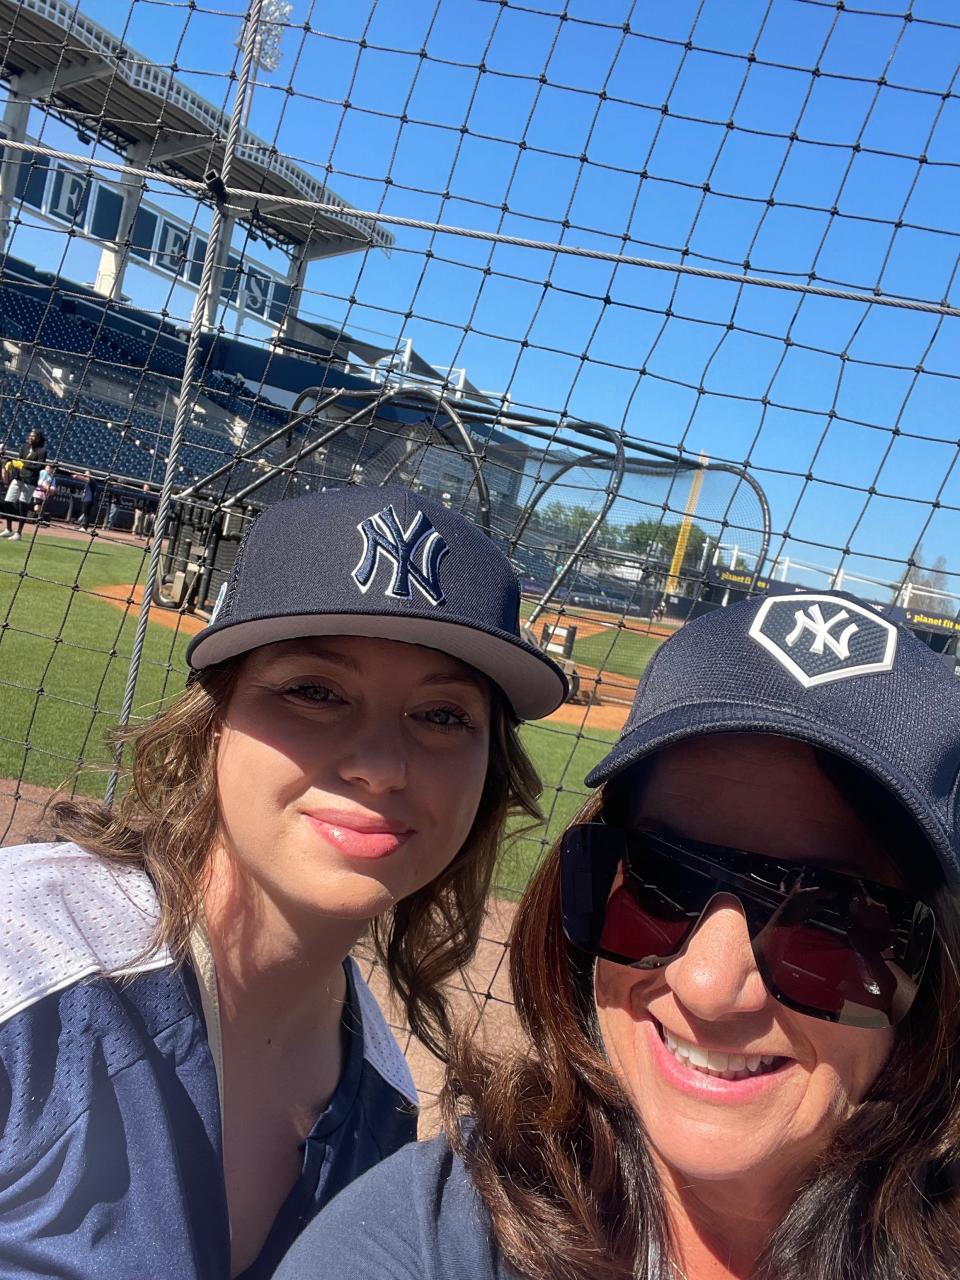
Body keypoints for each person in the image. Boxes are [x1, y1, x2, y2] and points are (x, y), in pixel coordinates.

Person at [277, 590, 960, 1280]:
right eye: (662, 883)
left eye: (830, 924)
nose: (708, 987)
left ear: (934, 980)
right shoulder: (429, 1243)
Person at [0, 484, 567, 1279]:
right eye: (314, 691)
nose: (379, 765)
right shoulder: (22, 953)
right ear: (214, 719)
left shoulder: (382, 1099)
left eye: (443, 715)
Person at [0, 428, 46, 541]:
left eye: (33, 436)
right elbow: (19, 460)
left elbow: (39, 466)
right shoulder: (24, 447)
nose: (30, 438)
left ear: (38, 438)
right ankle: (8, 529)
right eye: (30, 435)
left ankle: (19, 533)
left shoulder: (42, 451)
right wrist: (12, 463)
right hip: (18, 478)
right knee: (8, 502)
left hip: (30, 481)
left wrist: (23, 465)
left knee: (22, 505)